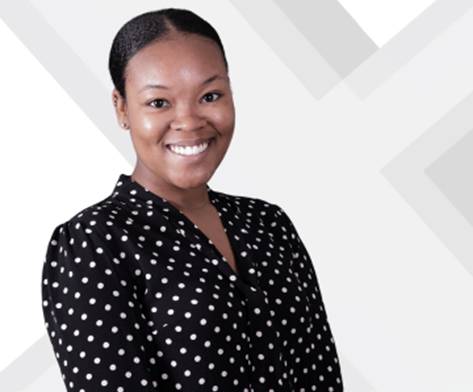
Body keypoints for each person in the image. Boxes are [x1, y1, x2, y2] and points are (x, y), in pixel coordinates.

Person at [42, 8, 343, 392]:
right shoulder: (93, 244)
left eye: (210, 95)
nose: (189, 122)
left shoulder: (269, 224)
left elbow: (320, 376)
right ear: (121, 107)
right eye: (158, 103)